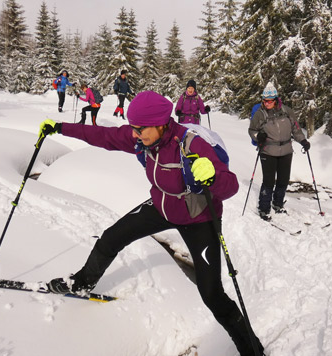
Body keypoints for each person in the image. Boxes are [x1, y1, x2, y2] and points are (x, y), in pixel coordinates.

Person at [38, 91, 265, 356]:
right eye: (133, 128)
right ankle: (81, 282)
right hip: (162, 206)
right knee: (112, 238)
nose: (134, 134)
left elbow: (231, 186)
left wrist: (211, 176)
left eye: (140, 129)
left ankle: (252, 350)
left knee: (212, 294)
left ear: (160, 124)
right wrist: (61, 127)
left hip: (199, 217)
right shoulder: (143, 139)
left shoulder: (192, 144)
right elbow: (103, 136)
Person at [247, 82, 310, 221]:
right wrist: (259, 136)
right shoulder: (260, 114)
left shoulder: (287, 111)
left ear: (276, 100)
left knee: (283, 180)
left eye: (269, 101)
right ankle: (264, 208)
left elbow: (296, 129)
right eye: (264, 100)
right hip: (268, 151)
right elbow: (252, 130)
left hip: (286, 151)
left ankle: (278, 204)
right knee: (268, 182)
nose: (266, 103)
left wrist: (303, 141)